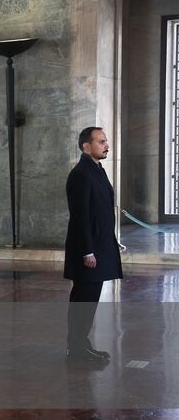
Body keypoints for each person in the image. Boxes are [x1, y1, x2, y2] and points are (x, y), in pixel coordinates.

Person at [63, 127, 122, 363]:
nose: (106, 145)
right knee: (83, 302)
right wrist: (88, 251)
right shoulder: (80, 174)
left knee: (88, 302)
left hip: (99, 246)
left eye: (106, 141)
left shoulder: (96, 170)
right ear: (86, 146)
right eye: (101, 141)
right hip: (89, 251)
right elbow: (81, 216)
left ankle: (80, 345)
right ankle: (76, 348)